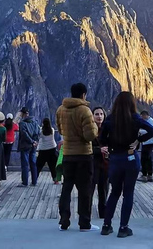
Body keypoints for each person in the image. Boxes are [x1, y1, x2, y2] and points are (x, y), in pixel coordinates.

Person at [99, 91, 153, 238]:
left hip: (115, 159)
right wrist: (139, 140)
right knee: (128, 193)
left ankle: (106, 226)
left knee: (114, 192)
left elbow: (101, 139)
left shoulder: (111, 119)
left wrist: (110, 145)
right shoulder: (135, 118)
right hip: (130, 158)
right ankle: (123, 228)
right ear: (132, 103)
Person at [56, 82, 98, 232]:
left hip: (67, 154)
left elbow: (60, 129)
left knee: (66, 188)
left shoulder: (61, 109)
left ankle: (64, 221)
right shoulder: (85, 111)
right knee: (84, 190)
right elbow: (90, 135)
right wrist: (95, 127)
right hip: (83, 155)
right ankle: (84, 223)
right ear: (83, 95)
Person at [92, 106, 109, 218]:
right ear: (92, 116)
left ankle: (103, 215)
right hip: (92, 163)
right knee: (90, 190)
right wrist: (99, 150)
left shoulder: (108, 130)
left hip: (105, 163)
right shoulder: (89, 130)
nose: (99, 116)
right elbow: (85, 147)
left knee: (103, 190)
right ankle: (86, 216)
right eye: (97, 114)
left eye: (101, 114)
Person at [18, 107, 41, 187]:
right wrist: (35, 142)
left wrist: (31, 141)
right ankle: (34, 181)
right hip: (34, 146)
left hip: (25, 145)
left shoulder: (22, 123)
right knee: (33, 163)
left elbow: (24, 134)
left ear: (22, 114)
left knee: (25, 164)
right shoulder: (35, 122)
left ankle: (25, 182)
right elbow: (38, 132)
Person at [36, 117, 59, 183]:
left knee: (39, 165)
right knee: (52, 166)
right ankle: (55, 179)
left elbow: (39, 135)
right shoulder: (52, 130)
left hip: (43, 149)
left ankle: (35, 178)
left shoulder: (41, 131)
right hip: (52, 149)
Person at [139, 110, 153, 183]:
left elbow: (148, 131)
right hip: (150, 141)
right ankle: (149, 174)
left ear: (145, 115)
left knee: (144, 158)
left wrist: (139, 132)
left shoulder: (149, 121)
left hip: (148, 141)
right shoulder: (151, 120)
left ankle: (144, 175)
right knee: (148, 158)